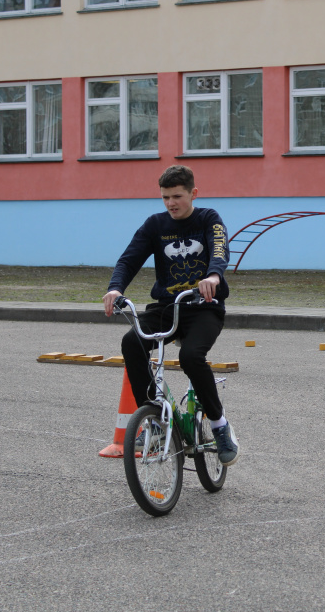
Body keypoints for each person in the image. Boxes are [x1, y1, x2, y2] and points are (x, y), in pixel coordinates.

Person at [102, 164, 239, 466]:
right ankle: (154, 419)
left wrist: (214, 276)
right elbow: (129, 258)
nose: (171, 203)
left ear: (193, 193)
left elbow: (219, 248)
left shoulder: (208, 219)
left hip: (204, 307)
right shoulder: (155, 225)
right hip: (167, 306)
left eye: (177, 196)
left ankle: (220, 427)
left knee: (191, 357)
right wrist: (115, 288)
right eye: (165, 197)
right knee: (131, 342)